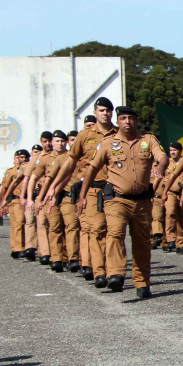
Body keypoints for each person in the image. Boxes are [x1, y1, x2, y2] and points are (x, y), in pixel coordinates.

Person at [78, 106, 168, 298]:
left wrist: (160, 166)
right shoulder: (108, 143)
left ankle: (142, 282)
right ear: (117, 122)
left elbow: (162, 156)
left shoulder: (148, 140)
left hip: (142, 201)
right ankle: (115, 275)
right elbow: (92, 169)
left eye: (132, 118)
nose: (128, 122)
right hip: (117, 200)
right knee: (115, 234)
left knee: (142, 242)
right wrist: (82, 196)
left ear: (136, 121)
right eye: (124, 118)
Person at [46, 97, 117, 286]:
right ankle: (99, 271)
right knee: (96, 229)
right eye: (101, 110)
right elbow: (70, 162)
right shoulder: (84, 136)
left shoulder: (118, 134)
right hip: (92, 189)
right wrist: (56, 185)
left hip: (114, 189)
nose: (105, 113)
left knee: (114, 231)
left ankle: (113, 272)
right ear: (95, 112)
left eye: (108, 110)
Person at [35, 130, 79, 272]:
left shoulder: (77, 157)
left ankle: (72, 258)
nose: (60, 144)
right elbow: (44, 180)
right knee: (55, 226)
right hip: (54, 196)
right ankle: (57, 258)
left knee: (71, 225)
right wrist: (40, 198)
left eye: (62, 141)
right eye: (57, 141)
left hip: (70, 195)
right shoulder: (50, 158)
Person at [25, 131, 55, 265]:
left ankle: (58, 253)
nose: (47, 144)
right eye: (45, 141)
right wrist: (28, 198)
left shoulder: (59, 155)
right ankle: (45, 253)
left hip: (55, 193)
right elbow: (28, 177)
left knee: (55, 224)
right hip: (41, 195)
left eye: (49, 141)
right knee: (42, 222)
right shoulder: (37, 158)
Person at [0, 149, 29, 258]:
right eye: (21, 157)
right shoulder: (11, 171)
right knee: (17, 223)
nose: (24, 159)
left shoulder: (30, 169)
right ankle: (18, 248)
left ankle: (19, 247)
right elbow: (4, 188)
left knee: (23, 223)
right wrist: (3, 203)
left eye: (25, 157)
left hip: (26, 199)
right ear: (16, 158)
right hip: (14, 200)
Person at [160, 142, 183, 253]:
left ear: (180, 151)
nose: (172, 152)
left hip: (182, 193)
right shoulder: (166, 163)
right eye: (170, 150)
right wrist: (163, 193)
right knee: (170, 214)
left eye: (175, 150)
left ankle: (180, 242)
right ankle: (170, 239)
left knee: (182, 217)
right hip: (170, 192)